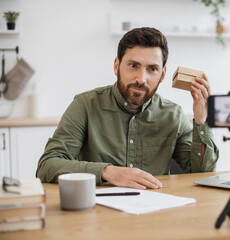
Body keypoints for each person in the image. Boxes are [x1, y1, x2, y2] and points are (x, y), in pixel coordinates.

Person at [36, 27, 219, 190]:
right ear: (117, 66)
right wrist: (107, 171)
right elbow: (47, 166)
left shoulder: (173, 114)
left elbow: (201, 173)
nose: (141, 78)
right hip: (99, 212)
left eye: (152, 69)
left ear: (162, 74)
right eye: (133, 66)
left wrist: (202, 120)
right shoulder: (85, 105)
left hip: (156, 210)